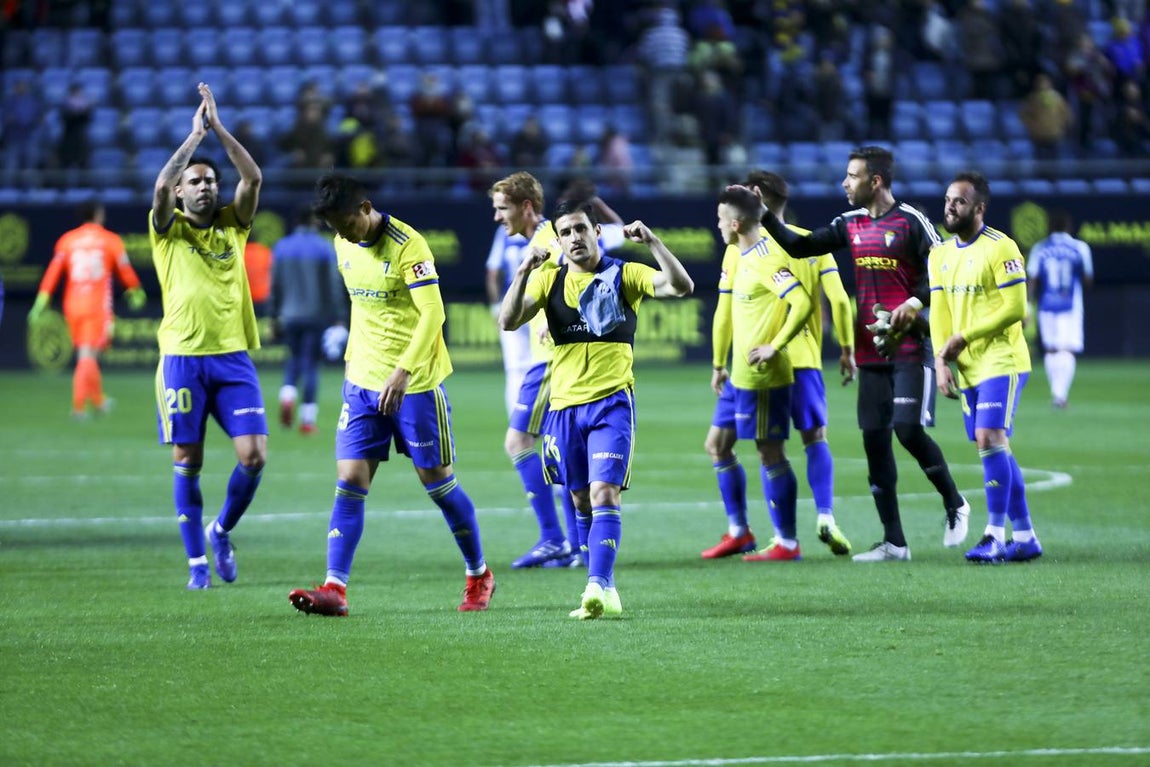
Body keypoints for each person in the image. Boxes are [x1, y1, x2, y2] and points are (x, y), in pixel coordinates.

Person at [289, 172, 494, 616]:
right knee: (349, 482)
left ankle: (478, 573)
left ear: (365, 209)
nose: (340, 234)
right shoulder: (344, 242)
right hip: (362, 382)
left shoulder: (408, 245)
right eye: (333, 228)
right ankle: (334, 589)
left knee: (437, 484)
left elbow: (433, 313)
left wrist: (402, 371)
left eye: (345, 223)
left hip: (414, 385)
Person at [761, 146, 970, 561]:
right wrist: (764, 214)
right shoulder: (849, 224)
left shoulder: (911, 221)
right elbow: (799, 247)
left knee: (907, 430)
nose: (845, 182)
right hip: (870, 351)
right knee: (875, 442)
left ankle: (955, 502)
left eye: (852, 176)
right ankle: (894, 542)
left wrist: (913, 303)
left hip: (911, 346)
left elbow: (944, 269)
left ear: (875, 181)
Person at [499, 199, 694, 619]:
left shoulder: (625, 273)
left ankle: (595, 585)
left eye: (581, 229)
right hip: (564, 407)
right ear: (557, 239)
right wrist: (521, 273)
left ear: (596, 231)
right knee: (579, 499)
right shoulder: (548, 280)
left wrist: (654, 243)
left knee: (604, 492)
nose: (574, 238)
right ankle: (605, 587)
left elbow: (680, 286)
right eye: (565, 232)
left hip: (612, 404)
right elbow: (508, 320)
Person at [702, 173, 856, 560]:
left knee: (769, 449)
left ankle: (783, 537)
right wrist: (847, 348)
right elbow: (837, 301)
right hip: (788, 360)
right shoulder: (811, 243)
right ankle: (823, 514)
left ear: (754, 200)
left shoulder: (751, 251)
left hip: (770, 362)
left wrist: (735, 355)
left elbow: (724, 313)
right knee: (811, 438)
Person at [150, 83, 267, 590]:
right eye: (195, 182)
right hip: (181, 359)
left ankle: (221, 529)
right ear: (181, 191)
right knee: (188, 460)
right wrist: (194, 140)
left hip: (232, 358)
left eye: (210, 182)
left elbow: (254, 176)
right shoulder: (166, 229)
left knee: (254, 456)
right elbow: (158, 188)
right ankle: (196, 561)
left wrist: (219, 129)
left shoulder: (232, 225)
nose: (205, 187)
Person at [930, 171, 1041, 563]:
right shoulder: (940, 254)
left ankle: (994, 534)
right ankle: (1025, 536)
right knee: (994, 446)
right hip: (967, 366)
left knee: (989, 436)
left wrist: (966, 336)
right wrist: (942, 359)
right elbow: (940, 313)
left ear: (979, 208)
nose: (950, 207)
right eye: (947, 200)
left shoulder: (1002, 247)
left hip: (1002, 359)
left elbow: (1016, 309)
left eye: (958, 201)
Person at [487, 171, 577, 568]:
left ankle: (555, 538)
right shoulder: (539, 240)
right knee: (563, 453)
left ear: (526, 207)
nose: (496, 217)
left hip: (551, 359)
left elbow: (580, 270)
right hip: (553, 358)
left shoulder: (547, 241)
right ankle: (575, 545)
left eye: (502, 208)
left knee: (518, 442)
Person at [29, 200, 146, 419]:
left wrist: (41, 301)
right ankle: (78, 407)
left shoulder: (67, 240)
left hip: (73, 304)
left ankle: (99, 401)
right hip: (96, 304)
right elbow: (124, 269)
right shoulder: (109, 240)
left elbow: (52, 273)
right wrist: (136, 290)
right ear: (98, 214)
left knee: (87, 353)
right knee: (87, 355)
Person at [270, 205, 345, 435]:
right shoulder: (324, 248)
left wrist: (273, 316)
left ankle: (287, 395)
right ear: (315, 222)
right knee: (310, 364)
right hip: (316, 315)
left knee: (294, 359)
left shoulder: (281, 248)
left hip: (289, 315)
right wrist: (339, 317)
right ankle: (307, 420)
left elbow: (274, 286)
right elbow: (333, 286)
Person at [1026, 209, 1093, 409]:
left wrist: (1029, 303)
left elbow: (1033, 279)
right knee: (1067, 349)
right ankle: (1060, 394)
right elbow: (1088, 277)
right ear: (1069, 227)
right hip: (1071, 304)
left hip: (1047, 304)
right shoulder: (1080, 247)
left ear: (1050, 228)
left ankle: (1057, 393)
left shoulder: (1040, 248)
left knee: (1052, 349)